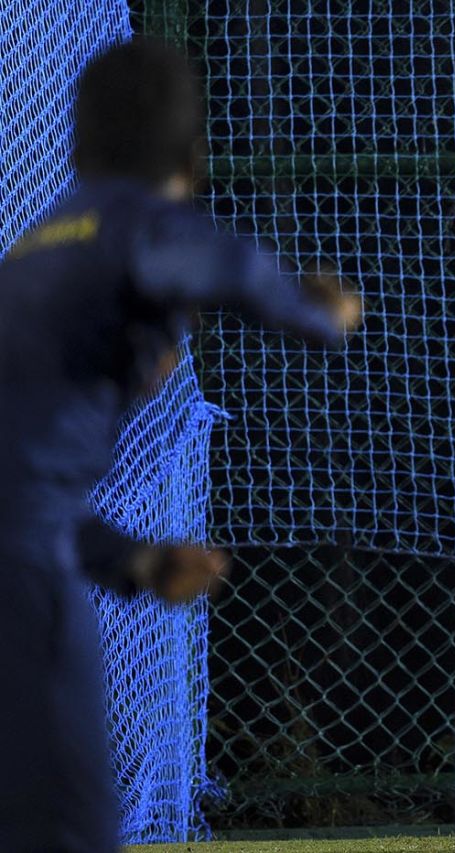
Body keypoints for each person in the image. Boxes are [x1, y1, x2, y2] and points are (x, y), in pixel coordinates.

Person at [0, 39, 359, 851]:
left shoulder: (31, 255)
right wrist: (316, 315)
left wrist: (137, 563)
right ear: (192, 161)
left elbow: (20, 495)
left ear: (77, 149)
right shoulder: (141, 225)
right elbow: (200, 255)